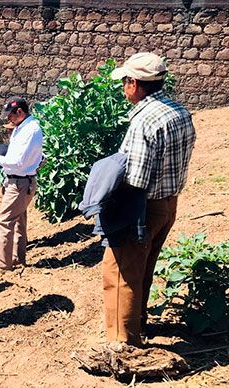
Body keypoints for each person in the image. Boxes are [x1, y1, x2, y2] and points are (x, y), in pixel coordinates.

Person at [103, 52, 196, 346]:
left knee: (120, 271)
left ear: (134, 84)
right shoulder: (179, 112)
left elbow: (136, 180)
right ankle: (139, 323)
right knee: (144, 265)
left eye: (125, 82)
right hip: (168, 203)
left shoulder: (144, 121)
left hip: (142, 206)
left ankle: (123, 341)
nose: (123, 88)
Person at [0, 97, 43, 275]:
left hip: (20, 183)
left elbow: (17, 162)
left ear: (20, 112)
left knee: (3, 221)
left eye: (10, 116)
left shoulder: (30, 130)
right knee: (18, 220)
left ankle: (2, 264)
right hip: (21, 181)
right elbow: (37, 156)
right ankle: (17, 257)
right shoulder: (24, 128)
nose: (8, 120)